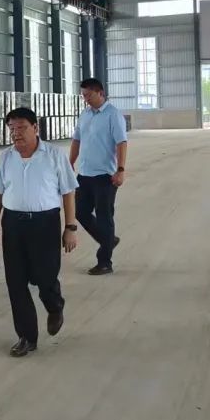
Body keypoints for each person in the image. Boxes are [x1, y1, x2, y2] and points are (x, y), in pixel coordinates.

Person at [0, 107, 79, 358]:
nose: (16, 133)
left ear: (35, 128)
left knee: (45, 277)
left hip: (45, 224)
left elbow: (68, 192)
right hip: (13, 225)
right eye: (12, 129)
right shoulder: (7, 157)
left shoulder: (54, 155)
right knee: (15, 282)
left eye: (21, 128)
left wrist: (70, 227)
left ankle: (55, 306)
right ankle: (27, 337)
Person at [69, 78, 128, 275]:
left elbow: (121, 143)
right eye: (83, 95)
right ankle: (108, 240)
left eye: (88, 95)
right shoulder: (85, 114)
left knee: (104, 217)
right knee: (80, 212)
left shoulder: (113, 115)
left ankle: (105, 262)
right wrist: (70, 163)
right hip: (84, 174)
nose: (85, 99)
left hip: (105, 176)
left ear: (100, 93)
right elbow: (77, 140)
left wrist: (120, 170)